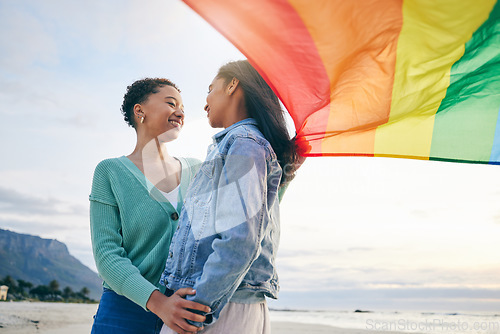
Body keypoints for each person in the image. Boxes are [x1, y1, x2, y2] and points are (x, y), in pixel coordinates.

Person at [159, 60, 301, 333]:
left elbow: (240, 239)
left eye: (210, 89)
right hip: (221, 303)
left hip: (218, 307)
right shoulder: (237, 144)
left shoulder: (245, 143)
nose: (205, 103)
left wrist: (198, 306)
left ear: (233, 84)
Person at [89, 78, 210, 334]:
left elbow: (240, 220)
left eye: (183, 108)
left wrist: (284, 177)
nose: (180, 112)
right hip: (124, 313)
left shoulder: (198, 169)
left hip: (185, 313)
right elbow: (107, 254)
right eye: (170, 103)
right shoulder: (110, 171)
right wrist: (158, 303)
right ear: (139, 110)